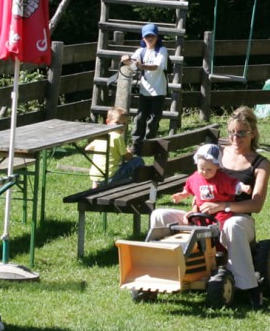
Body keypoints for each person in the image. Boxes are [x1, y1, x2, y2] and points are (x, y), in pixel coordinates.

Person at [147, 106, 270, 307]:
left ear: (253, 133)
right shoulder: (217, 154)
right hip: (204, 216)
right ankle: (162, 272)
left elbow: (256, 205)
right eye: (232, 133)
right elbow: (200, 183)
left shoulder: (260, 163)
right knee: (160, 216)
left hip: (237, 218)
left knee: (233, 226)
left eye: (241, 133)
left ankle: (249, 287)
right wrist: (195, 204)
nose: (235, 138)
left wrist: (223, 205)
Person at [171, 143, 248, 225]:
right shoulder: (195, 178)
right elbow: (189, 188)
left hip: (220, 210)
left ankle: (217, 233)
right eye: (201, 168)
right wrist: (182, 195)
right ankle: (199, 231)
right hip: (202, 209)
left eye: (209, 170)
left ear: (217, 167)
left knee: (221, 221)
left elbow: (233, 184)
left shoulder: (221, 179)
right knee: (193, 219)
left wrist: (242, 187)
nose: (204, 172)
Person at [121, 22, 169, 156]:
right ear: (143, 38)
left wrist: (140, 65)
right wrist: (126, 60)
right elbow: (133, 66)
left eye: (152, 36)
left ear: (157, 37)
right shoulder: (140, 51)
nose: (149, 39)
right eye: (147, 36)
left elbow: (156, 67)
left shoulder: (162, 50)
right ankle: (136, 146)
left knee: (153, 120)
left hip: (158, 91)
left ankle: (150, 146)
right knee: (140, 118)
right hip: (144, 91)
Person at [86, 106, 130, 187]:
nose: (121, 126)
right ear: (108, 122)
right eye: (117, 123)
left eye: (124, 124)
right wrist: (129, 152)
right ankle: (131, 184)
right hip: (110, 177)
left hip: (95, 176)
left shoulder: (101, 136)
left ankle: (95, 187)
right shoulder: (117, 137)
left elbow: (87, 148)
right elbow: (128, 157)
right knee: (137, 161)